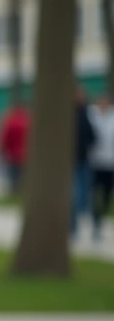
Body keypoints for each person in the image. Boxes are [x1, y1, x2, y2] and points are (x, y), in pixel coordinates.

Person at [72, 86, 97, 239]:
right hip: (72, 160)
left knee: (85, 191)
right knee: (75, 192)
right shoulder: (70, 115)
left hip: (84, 159)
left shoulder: (87, 113)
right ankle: (74, 225)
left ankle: (84, 218)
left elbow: (93, 135)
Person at [90, 92, 114, 241]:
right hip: (94, 161)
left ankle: (102, 213)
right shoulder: (92, 115)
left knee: (107, 191)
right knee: (93, 191)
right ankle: (95, 218)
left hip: (110, 162)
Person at [0, 101, 29, 197]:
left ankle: (14, 193)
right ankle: (24, 193)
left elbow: (5, 138)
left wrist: (2, 153)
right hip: (27, 155)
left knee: (14, 176)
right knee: (25, 176)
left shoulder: (10, 122)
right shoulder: (29, 120)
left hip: (13, 155)